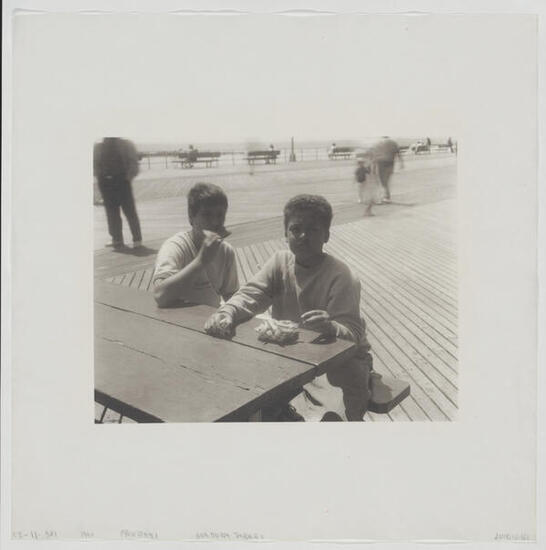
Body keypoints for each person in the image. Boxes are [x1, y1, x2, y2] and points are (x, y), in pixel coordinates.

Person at [204, 194, 373, 421]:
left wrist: (331, 327)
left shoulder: (343, 276)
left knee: (329, 418)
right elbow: (250, 295)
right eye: (296, 229)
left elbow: (353, 335)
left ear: (326, 235)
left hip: (341, 365)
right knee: (239, 394)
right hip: (292, 358)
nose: (303, 236)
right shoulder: (280, 263)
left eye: (312, 230)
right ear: (285, 234)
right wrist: (228, 311)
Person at [153, 182, 238, 308]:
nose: (215, 222)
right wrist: (201, 261)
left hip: (212, 315)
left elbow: (231, 295)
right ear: (191, 217)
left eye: (220, 215)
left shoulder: (226, 251)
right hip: (176, 318)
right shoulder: (175, 247)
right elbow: (160, 295)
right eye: (207, 215)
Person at [93, 137, 142, 249]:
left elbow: (133, 163)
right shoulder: (98, 145)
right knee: (111, 212)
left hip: (122, 180)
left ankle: (137, 239)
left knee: (129, 211)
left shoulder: (126, 144)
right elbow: (94, 163)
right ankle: (117, 239)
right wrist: (100, 177)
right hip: (105, 181)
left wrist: (127, 178)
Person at [372, 136, 404, 203]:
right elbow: (399, 154)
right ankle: (386, 197)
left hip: (381, 164)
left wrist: (374, 167)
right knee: (386, 181)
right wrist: (401, 163)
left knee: (383, 181)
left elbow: (375, 156)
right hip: (390, 164)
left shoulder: (378, 143)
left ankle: (386, 197)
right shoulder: (393, 143)